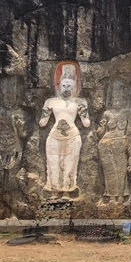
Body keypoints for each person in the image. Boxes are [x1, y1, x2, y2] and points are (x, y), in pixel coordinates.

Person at [39, 62, 90, 196]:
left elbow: (86, 124)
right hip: (54, 135)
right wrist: (44, 114)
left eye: (69, 86)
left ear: (75, 87)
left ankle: (68, 189)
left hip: (72, 136)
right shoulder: (51, 102)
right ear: (58, 86)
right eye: (64, 86)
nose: (66, 88)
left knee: (71, 163)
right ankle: (54, 189)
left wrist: (84, 113)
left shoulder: (80, 102)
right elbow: (42, 124)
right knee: (53, 163)